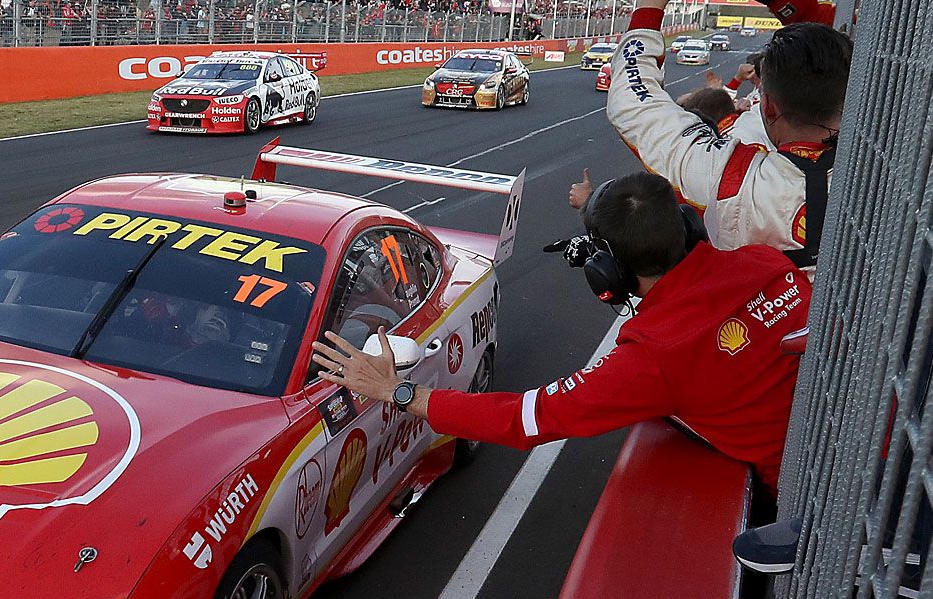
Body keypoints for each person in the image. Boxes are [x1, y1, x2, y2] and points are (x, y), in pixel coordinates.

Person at [312, 171, 810, 500]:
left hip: (796, 497)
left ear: (608, 272)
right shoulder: (766, 261)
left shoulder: (654, 358)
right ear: (685, 224)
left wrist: (397, 391)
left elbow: (528, 419)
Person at [607, 0, 851, 266]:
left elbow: (632, 104)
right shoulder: (886, 168)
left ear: (767, 106)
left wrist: (650, 6)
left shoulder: (730, 176)